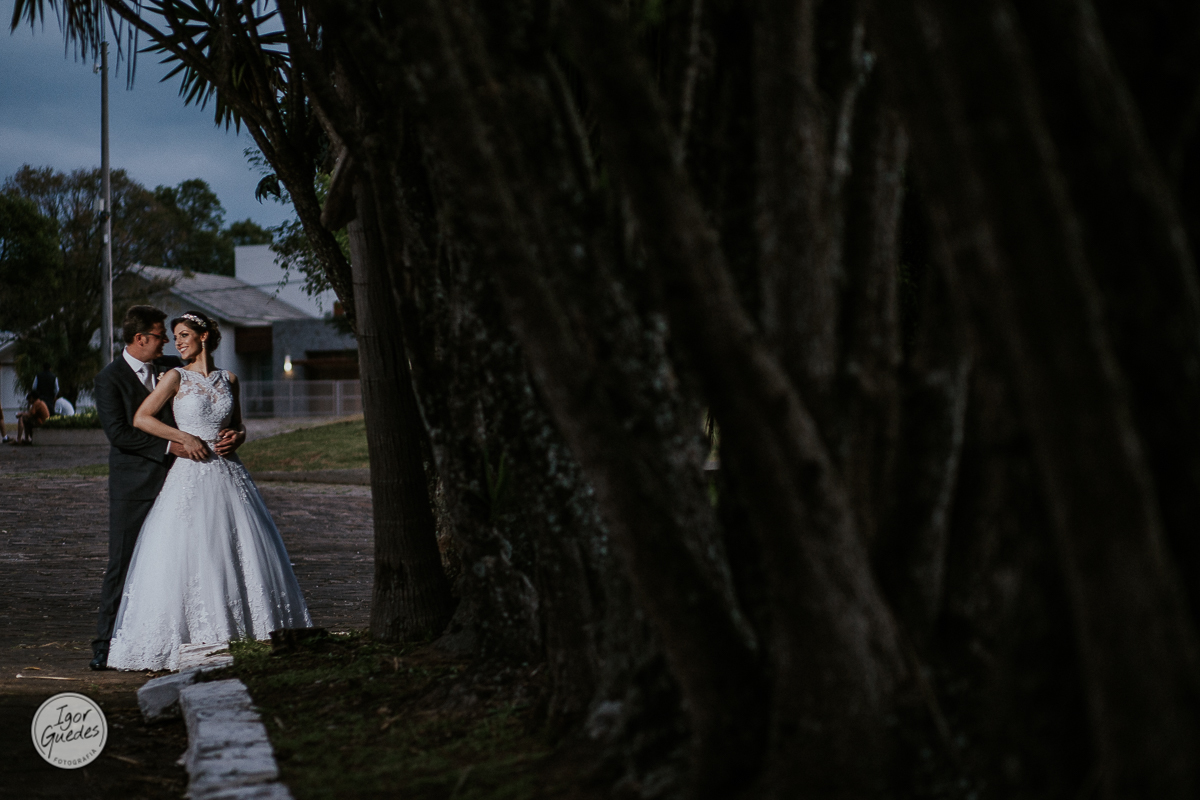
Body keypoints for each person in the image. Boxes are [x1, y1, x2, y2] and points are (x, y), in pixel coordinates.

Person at [106, 310, 311, 671]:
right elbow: (141, 418)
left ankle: (248, 632)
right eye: (173, 335)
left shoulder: (228, 379)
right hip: (190, 473)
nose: (177, 341)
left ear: (203, 337)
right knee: (192, 550)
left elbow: (238, 423)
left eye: (184, 334)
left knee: (238, 547)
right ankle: (189, 637)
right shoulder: (174, 377)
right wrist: (182, 436)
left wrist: (240, 435)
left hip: (229, 474)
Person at [90, 306, 193, 670]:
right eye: (160, 334)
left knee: (174, 562)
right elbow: (118, 433)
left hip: (179, 481)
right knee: (122, 561)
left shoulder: (172, 367)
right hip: (133, 485)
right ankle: (104, 643)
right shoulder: (109, 379)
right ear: (140, 339)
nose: (166, 340)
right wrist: (169, 446)